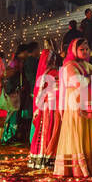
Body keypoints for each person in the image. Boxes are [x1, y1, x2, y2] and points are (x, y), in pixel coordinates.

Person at [52, 37, 92, 178]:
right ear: (74, 50)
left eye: (87, 49)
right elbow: (77, 82)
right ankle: (77, 168)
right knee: (77, 131)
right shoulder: (69, 65)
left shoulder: (85, 64)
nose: (85, 52)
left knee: (87, 131)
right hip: (75, 103)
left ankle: (88, 164)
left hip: (86, 100)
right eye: (82, 49)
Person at [29, 37, 61, 169]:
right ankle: (47, 159)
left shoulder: (46, 73)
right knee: (49, 132)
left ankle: (42, 159)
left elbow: (39, 95)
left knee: (45, 132)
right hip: (51, 108)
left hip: (47, 107)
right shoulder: (52, 73)